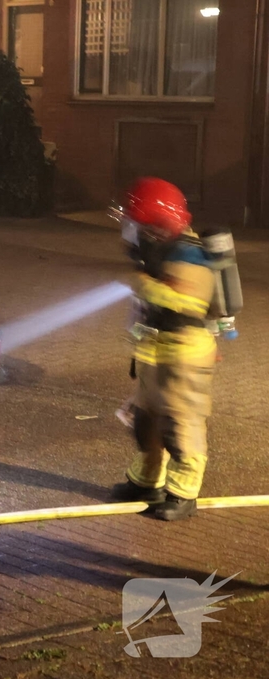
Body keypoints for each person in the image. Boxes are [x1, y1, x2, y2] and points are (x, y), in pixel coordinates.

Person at [110, 178, 217, 521]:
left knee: (180, 423)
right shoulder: (160, 250)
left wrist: (146, 285)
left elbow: (188, 302)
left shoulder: (190, 253)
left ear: (157, 225)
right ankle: (147, 482)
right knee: (146, 420)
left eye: (138, 225)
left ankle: (183, 494)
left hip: (185, 353)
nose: (133, 233)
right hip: (157, 350)